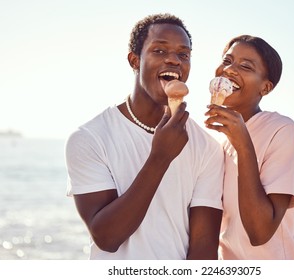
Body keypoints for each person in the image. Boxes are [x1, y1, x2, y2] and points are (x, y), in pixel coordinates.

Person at [65, 13, 223, 260]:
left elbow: (203, 249)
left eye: (184, 54)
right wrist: (160, 158)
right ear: (134, 60)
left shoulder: (208, 147)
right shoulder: (89, 138)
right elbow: (107, 238)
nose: (173, 60)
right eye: (159, 51)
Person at [205, 35, 294, 259]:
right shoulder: (215, 142)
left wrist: (243, 144)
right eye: (227, 61)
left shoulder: (283, 131)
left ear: (265, 88)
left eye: (245, 66)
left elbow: (260, 232)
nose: (230, 70)